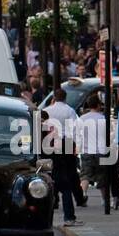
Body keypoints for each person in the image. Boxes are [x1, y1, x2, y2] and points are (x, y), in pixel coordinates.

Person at [43, 88, 81, 226]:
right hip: (66, 144)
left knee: (52, 175)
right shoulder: (69, 110)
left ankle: (52, 206)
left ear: (54, 97)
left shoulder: (47, 110)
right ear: (65, 98)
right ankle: (69, 216)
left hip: (50, 144)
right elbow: (74, 129)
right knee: (67, 179)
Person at [77, 91, 107, 203]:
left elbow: (77, 134)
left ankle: (83, 195)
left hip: (86, 150)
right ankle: (105, 199)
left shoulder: (82, 119)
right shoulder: (103, 119)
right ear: (98, 105)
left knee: (85, 175)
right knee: (102, 176)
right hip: (100, 151)